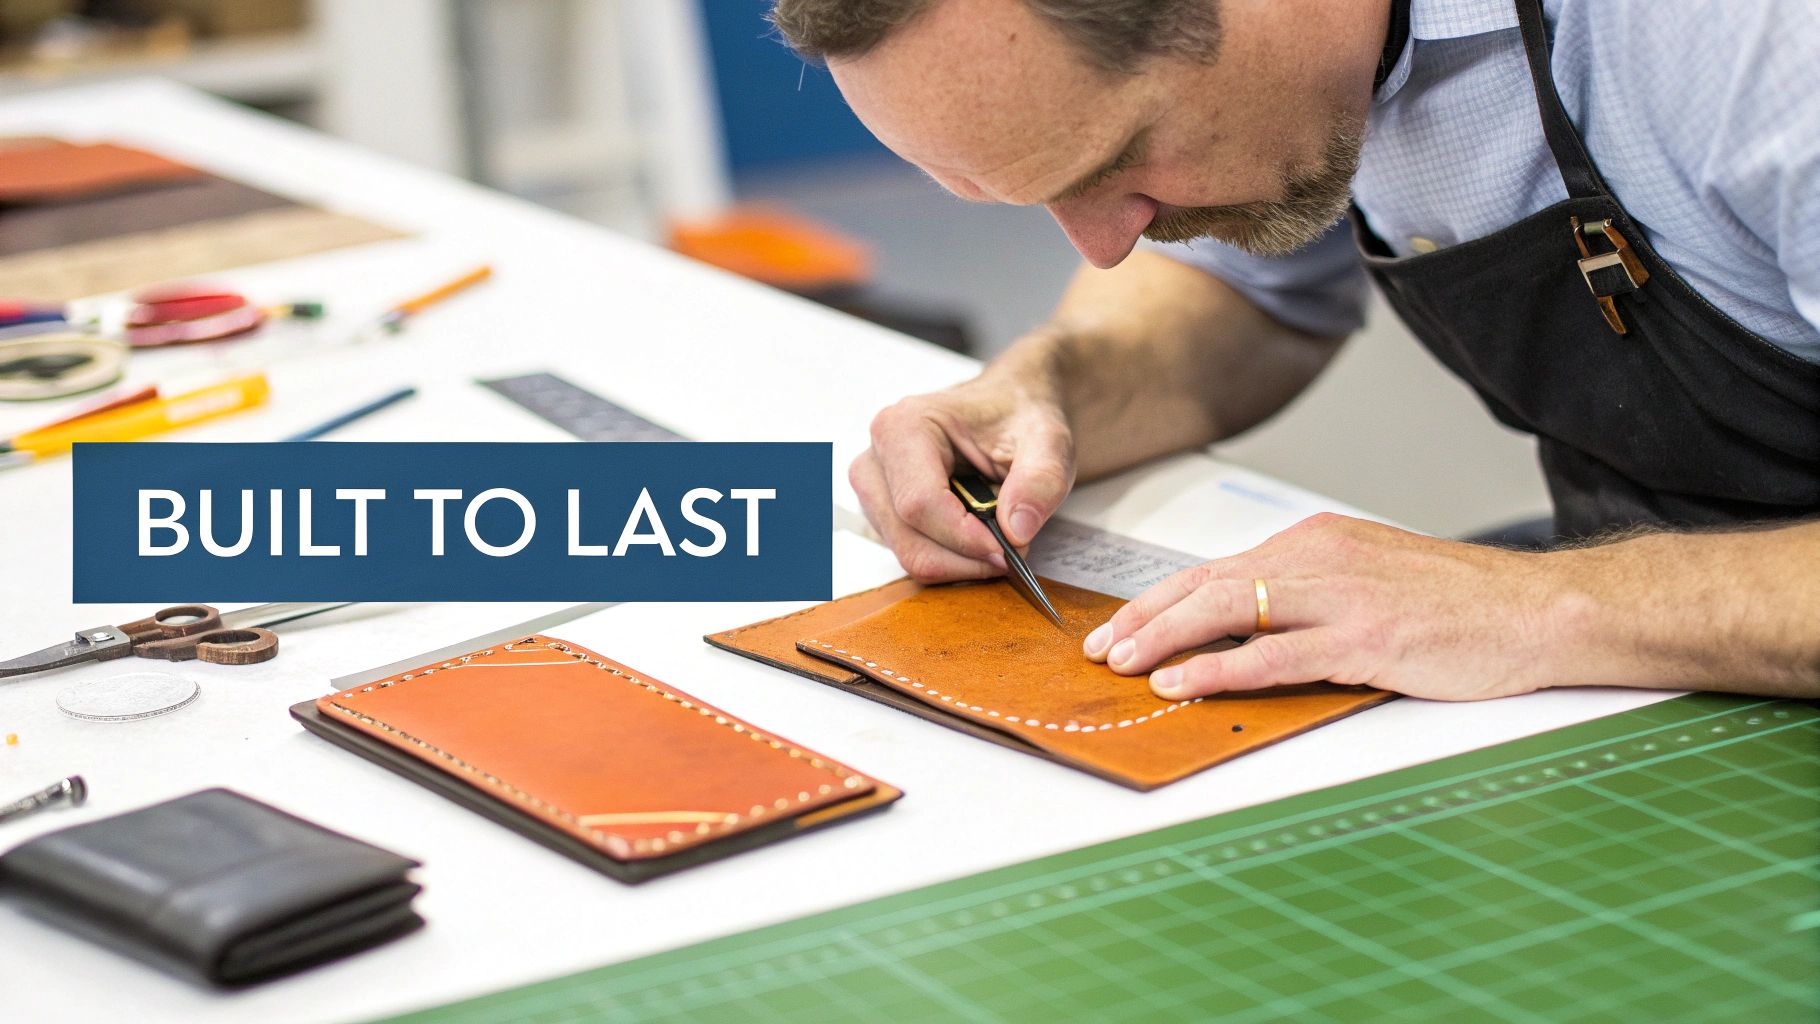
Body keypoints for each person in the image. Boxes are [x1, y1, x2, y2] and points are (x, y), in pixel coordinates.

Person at [768, 0, 1820, 702]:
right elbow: (1244, 288)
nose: (1103, 243)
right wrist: (1053, 387)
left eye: (1120, 161)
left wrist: (1540, 603)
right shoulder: (1297, 71)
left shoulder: (1754, 44)